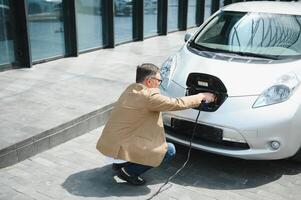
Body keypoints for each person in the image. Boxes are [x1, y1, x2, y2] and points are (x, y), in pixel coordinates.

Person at [96, 63, 216, 185]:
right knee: (169, 150)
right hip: (123, 146)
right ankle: (129, 171)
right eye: (159, 80)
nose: (160, 83)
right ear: (149, 81)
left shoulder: (130, 89)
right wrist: (201, 96)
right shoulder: (149, 97)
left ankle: (120, 164)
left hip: (111, 144)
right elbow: (177, 103)